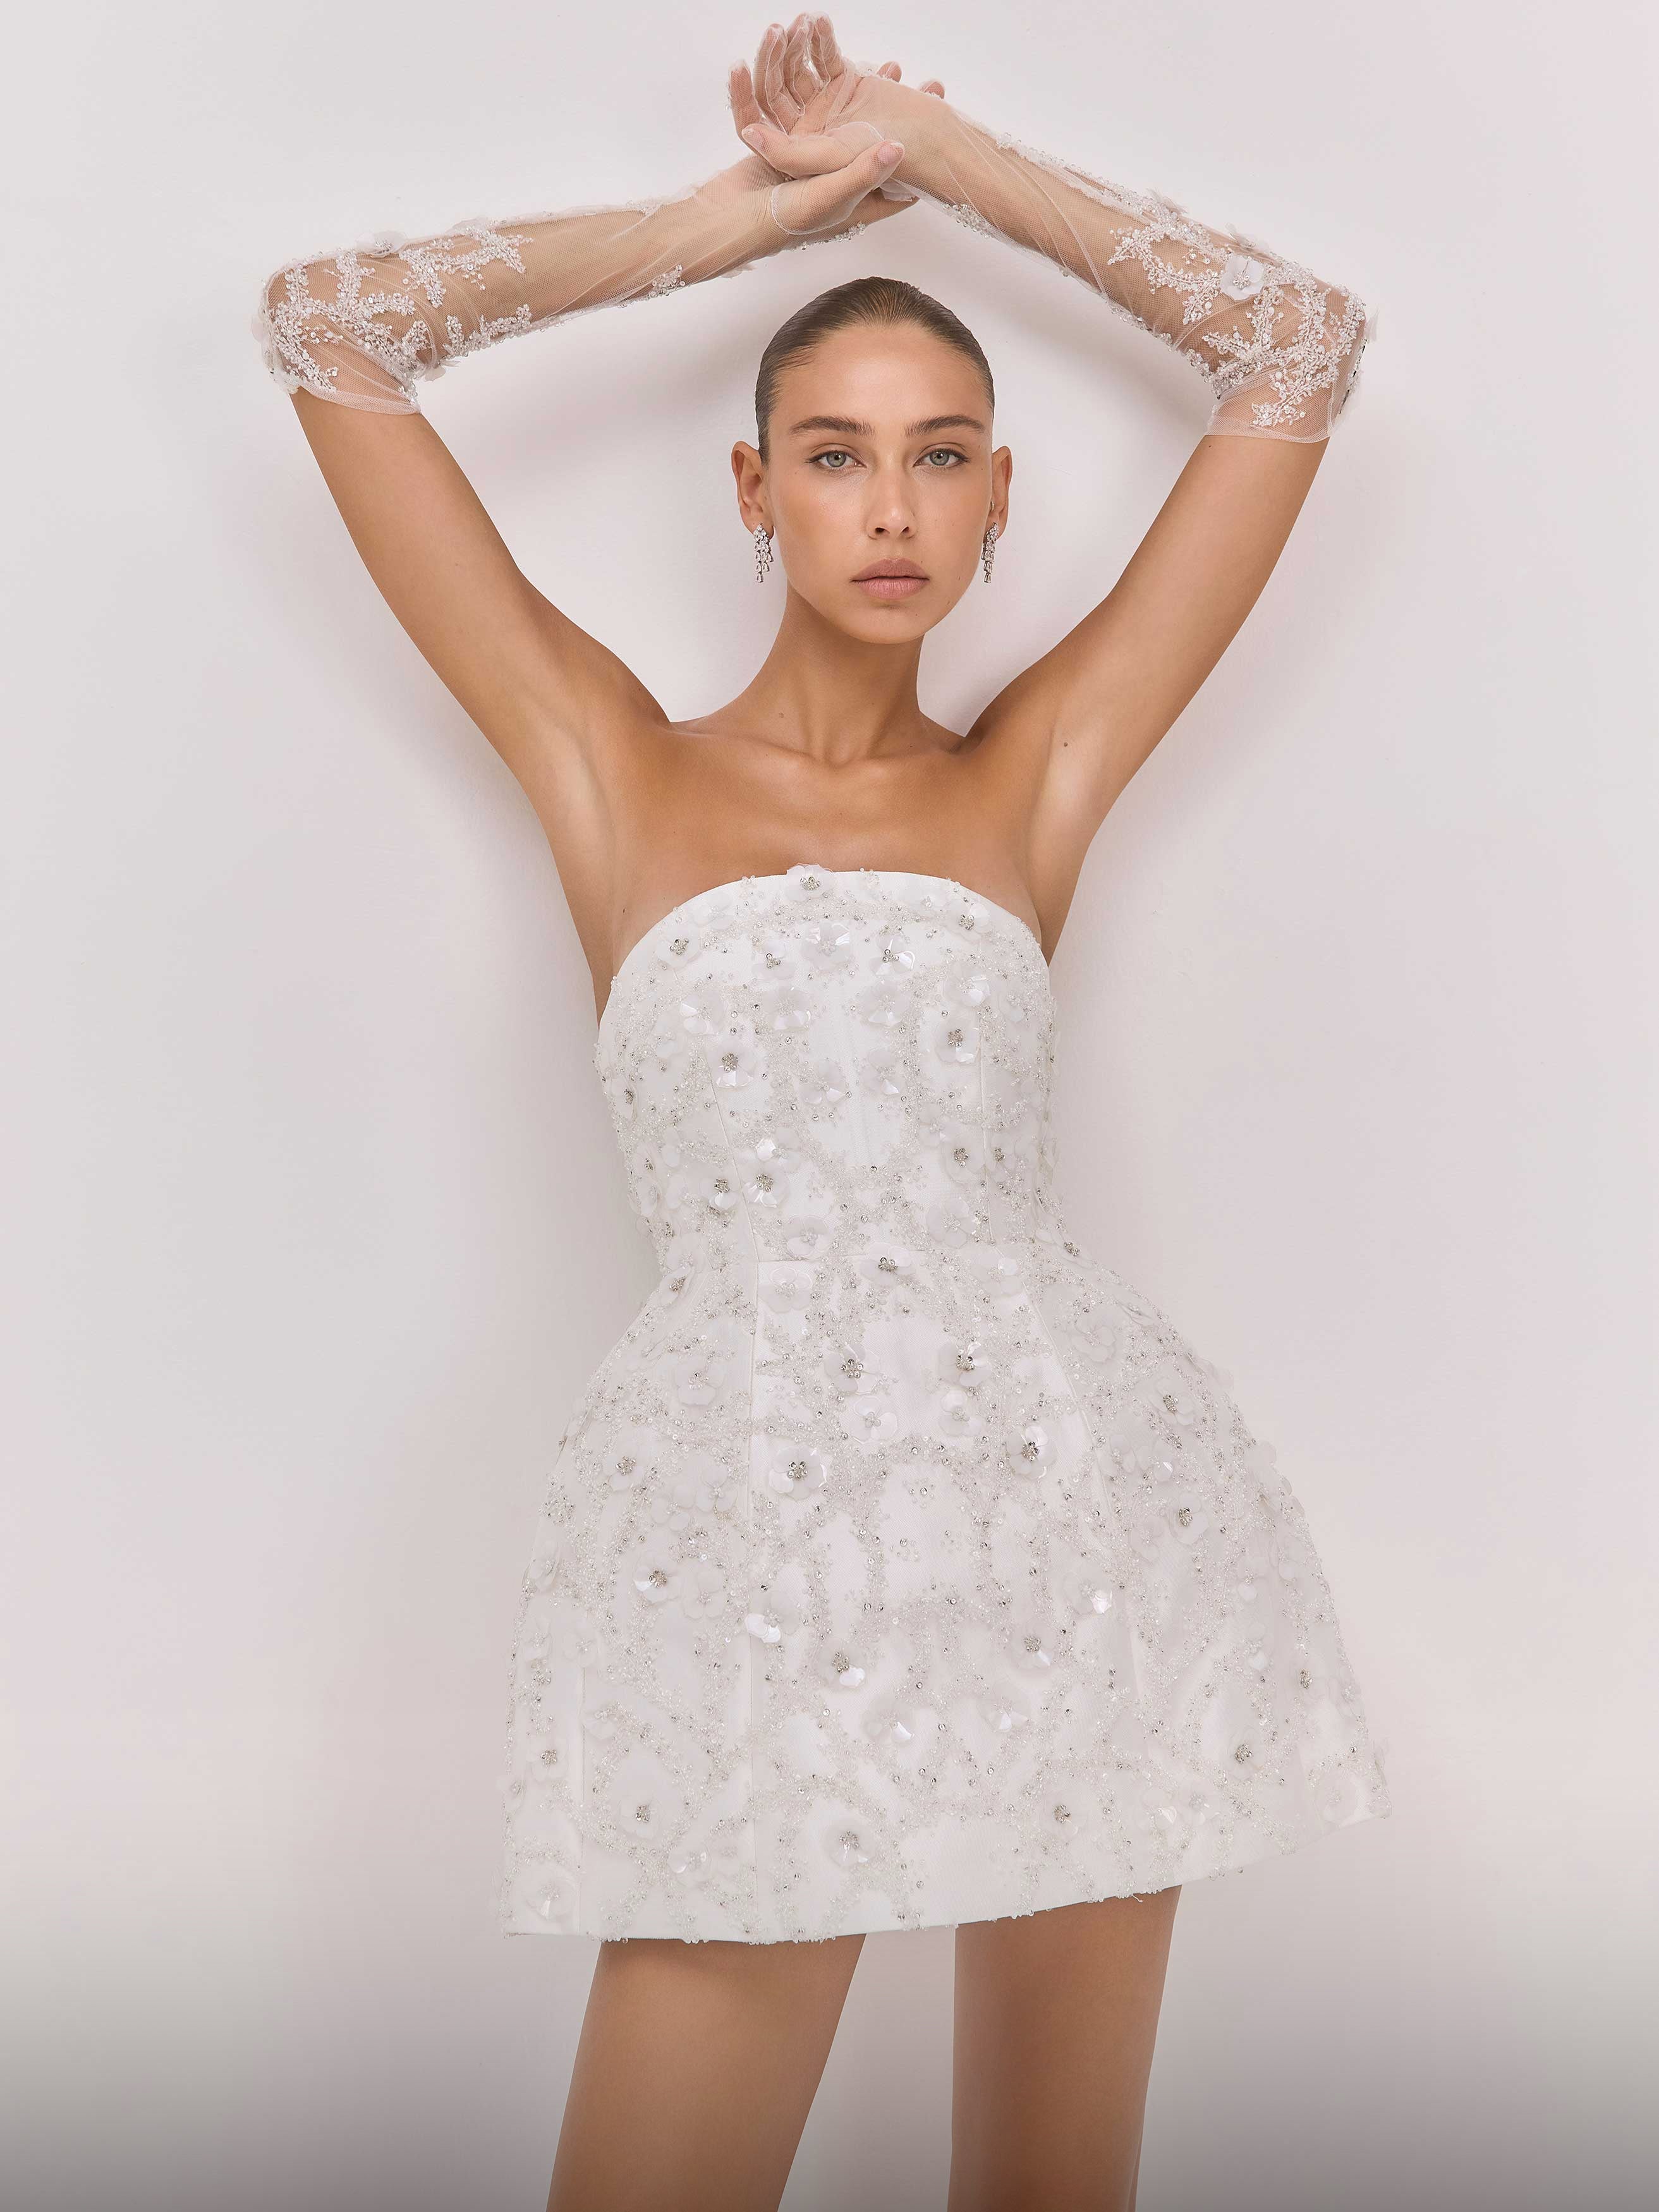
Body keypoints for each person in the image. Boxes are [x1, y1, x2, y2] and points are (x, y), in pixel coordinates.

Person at [256, 15, 1391, 2208]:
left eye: (945, 455)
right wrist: (726, 228)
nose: (892, 505)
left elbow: (1300, 347)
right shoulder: (612, 763)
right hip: (745, 1563)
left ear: (991, 507)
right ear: (753, 487)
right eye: (840, 453)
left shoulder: (1027, 777)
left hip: (1082, 1531)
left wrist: (956, 168)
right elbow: (324, 333)